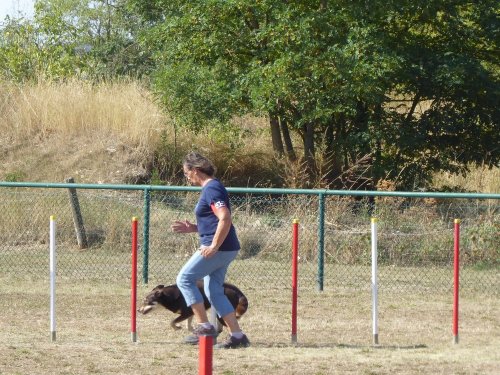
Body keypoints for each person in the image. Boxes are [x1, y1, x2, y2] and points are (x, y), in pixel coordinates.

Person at [171, 151, 250, 349]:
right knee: (213, 290)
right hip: (226, 247)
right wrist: (194, 228)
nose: (186, 177)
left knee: (184, 279)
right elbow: (215, 221)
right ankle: (238, 337)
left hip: (218, 248)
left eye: (186, 172)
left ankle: (204, 327)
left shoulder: (212, 189)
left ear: (195, 170)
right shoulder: (212, 188)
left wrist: (214, 245)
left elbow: (225, 217)